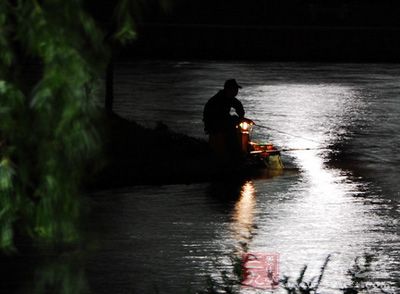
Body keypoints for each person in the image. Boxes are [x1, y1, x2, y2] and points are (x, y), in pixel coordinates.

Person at [203, 79, 245, 162]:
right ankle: (234, 153)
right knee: (232, 126)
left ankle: (235, 152)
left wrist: (241, 116)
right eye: (235, 89)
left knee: (233, 122)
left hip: (220, 121)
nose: (237, 91)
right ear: (229, 89)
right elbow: (219, 116)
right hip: (213, 124)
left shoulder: (229, 98)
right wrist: (236, 119)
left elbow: (238, 105)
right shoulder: (218, 100)